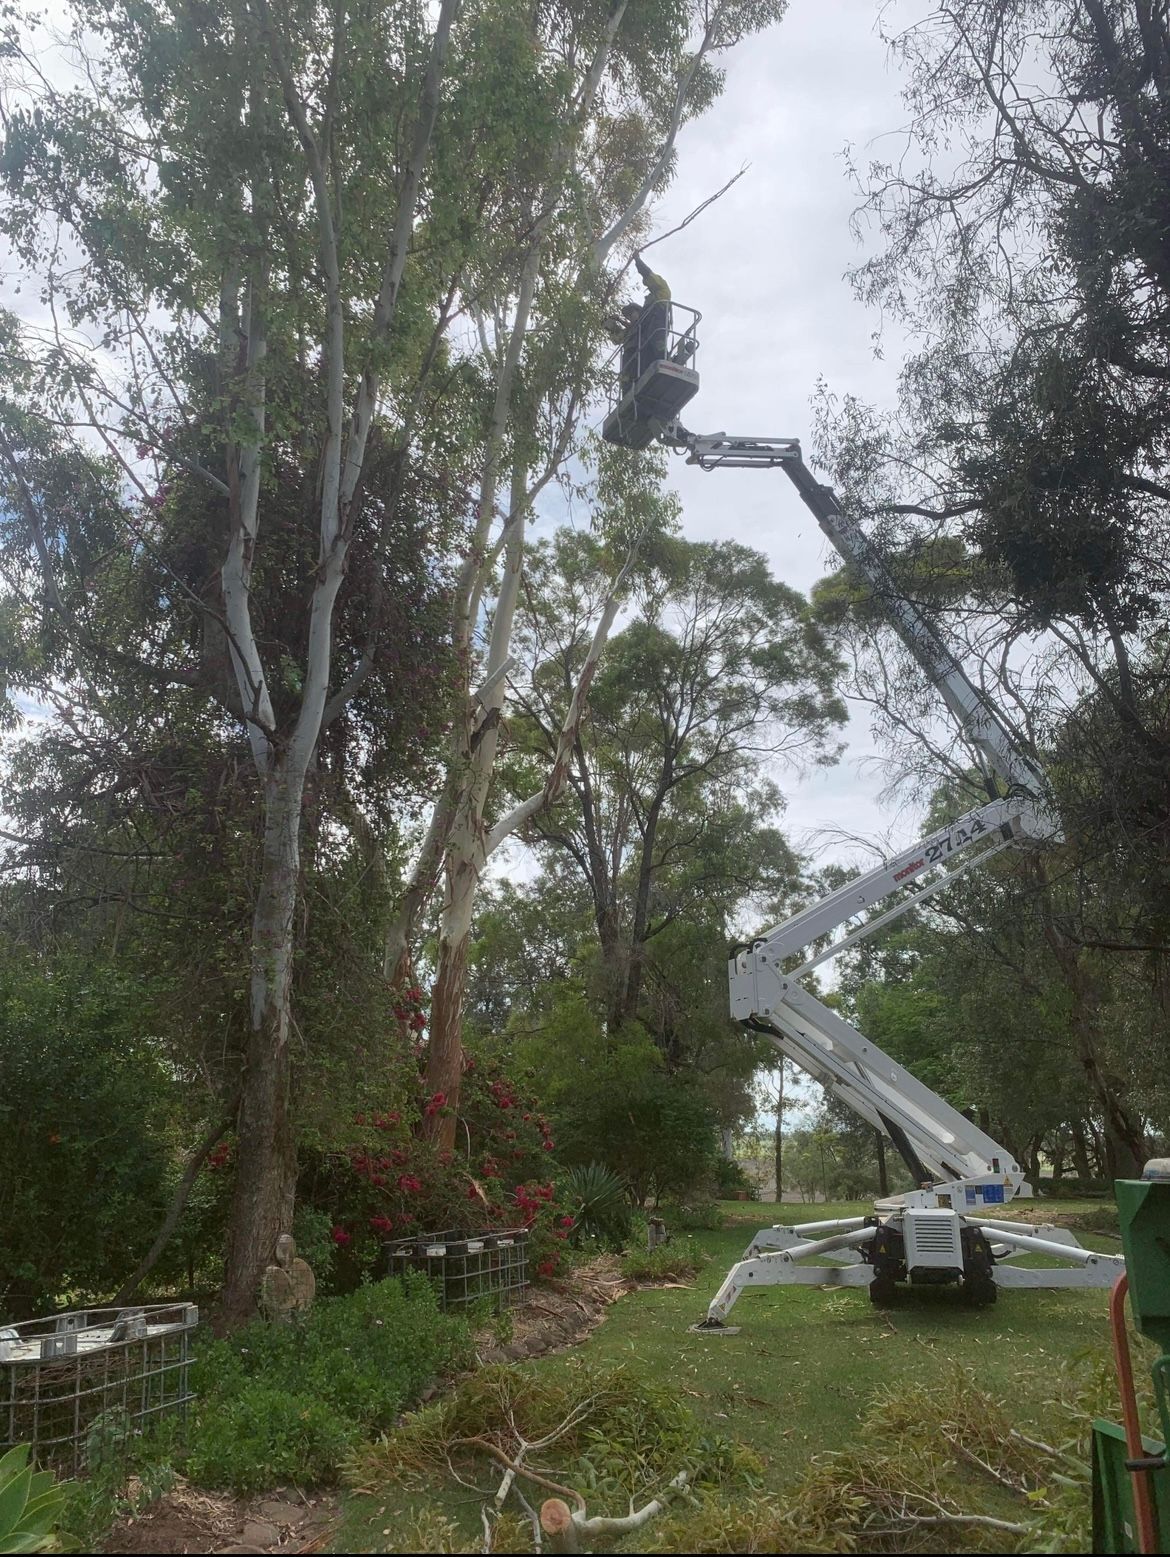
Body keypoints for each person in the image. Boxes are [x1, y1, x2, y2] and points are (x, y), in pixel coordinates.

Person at [634, 252, 671, 373]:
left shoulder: (662, 288)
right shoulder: (649, 299)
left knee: (658, 344)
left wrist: (637, 261)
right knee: (647, 350)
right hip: (648, 327)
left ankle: (667, 362)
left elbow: (648, 275)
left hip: (659, 319)